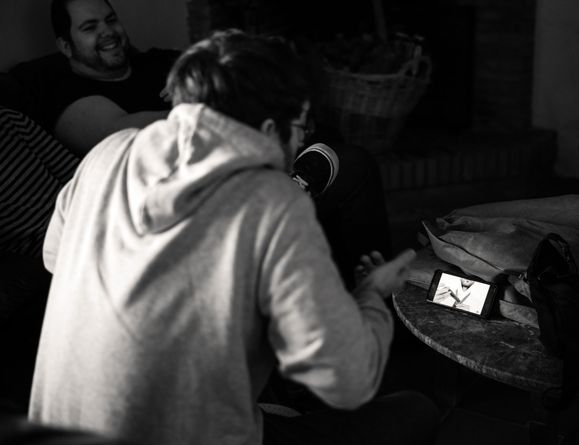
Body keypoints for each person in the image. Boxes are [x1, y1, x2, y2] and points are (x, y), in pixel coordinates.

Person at [28, 29, 439, 445]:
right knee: (415, 413)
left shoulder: (108, 153)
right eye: (300, 128)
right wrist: (369, 298)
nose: (301, 144)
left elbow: (54, 257)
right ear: (267, 129)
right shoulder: (272, 202)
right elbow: (348, 381)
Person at [10, 0, 391, 289]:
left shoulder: (160, 62)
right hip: (195, 199)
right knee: (348, 165)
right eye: (89, 27)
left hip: (242, 169)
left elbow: (245, 80)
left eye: (110, 19)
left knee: (340, 154)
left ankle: (364, 286)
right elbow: (123, 131)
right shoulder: (64, 90)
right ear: (65, 44)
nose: (107, 31)